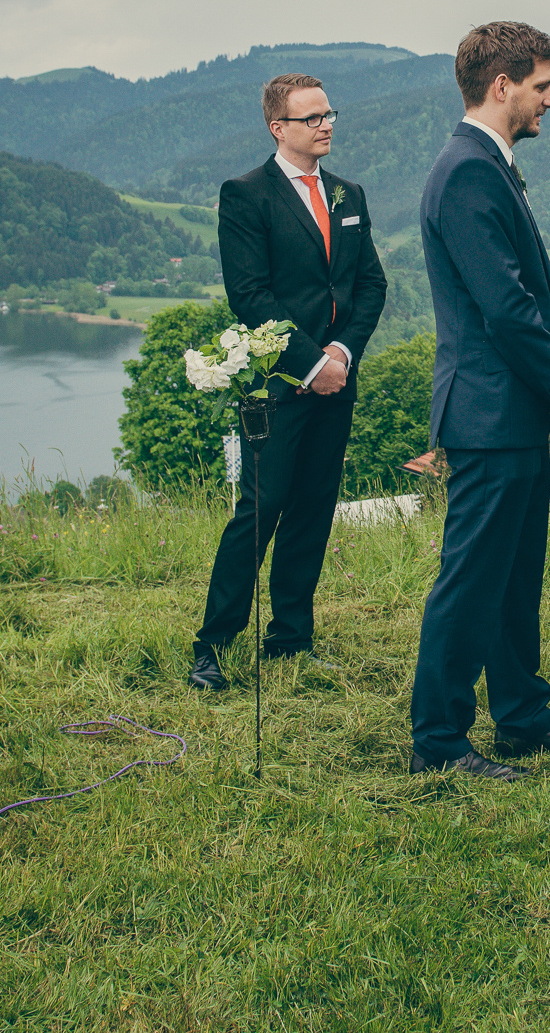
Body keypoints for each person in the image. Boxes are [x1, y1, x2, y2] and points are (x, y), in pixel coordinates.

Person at [408, 22, 550, 780]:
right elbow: (505, 306)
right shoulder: (468, 172)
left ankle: (521, 716)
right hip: (487, 411)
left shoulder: (489, 164)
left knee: (516, 577)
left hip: (507, 409)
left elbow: (529, 299)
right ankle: (439, 740)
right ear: (502, 85)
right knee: (472, 580)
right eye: (542, 86)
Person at [187, 74, 389, 691]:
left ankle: (291, 639)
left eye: (329, 114)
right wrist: (309, 364)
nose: (326, 125)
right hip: (275, 386)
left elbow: (370, 285)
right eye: (312, 118)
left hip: (338, 379)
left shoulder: (349, 194)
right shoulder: (246, 195)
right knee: (261, 509)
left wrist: (341, 354)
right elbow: (250, 295)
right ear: (278, 128)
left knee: (313, 510)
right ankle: (212, 645)